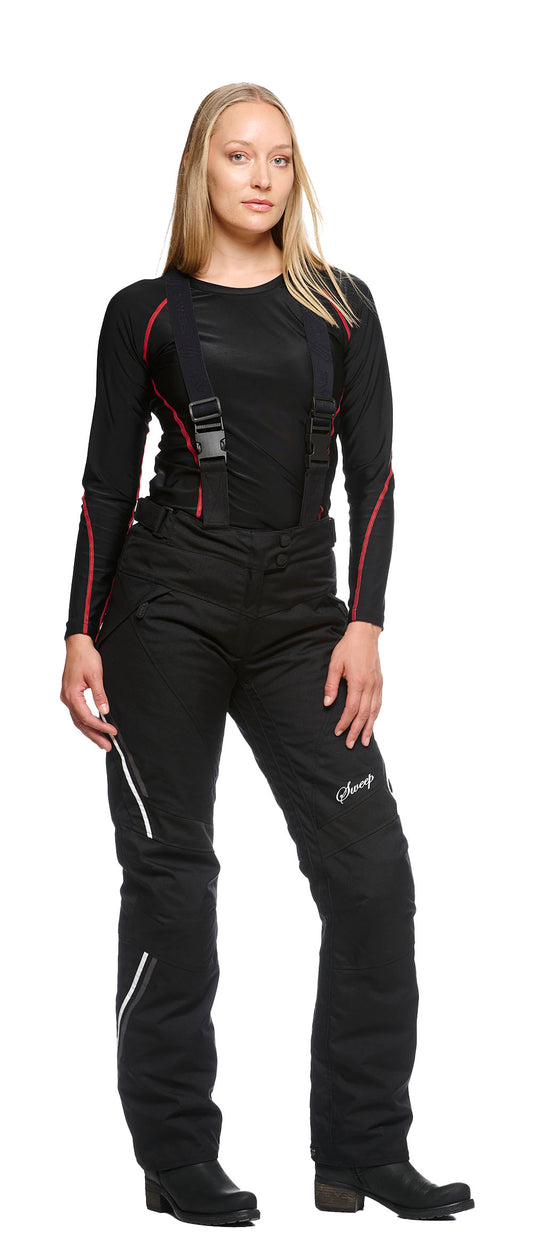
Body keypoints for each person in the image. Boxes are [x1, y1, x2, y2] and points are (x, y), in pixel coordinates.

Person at [60, 82, 474, 1228]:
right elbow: (104, 481)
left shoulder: (341, 305)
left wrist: (364, 621)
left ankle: (361, 1149)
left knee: (370, 875)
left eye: (279, 159)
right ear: (202, 168)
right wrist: (79, 626)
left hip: (302, 614)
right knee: (172, 880)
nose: (260, 178)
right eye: (238, 156)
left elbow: (372, 475)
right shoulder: (143, 312)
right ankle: (174, 1155)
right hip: (165, 610)